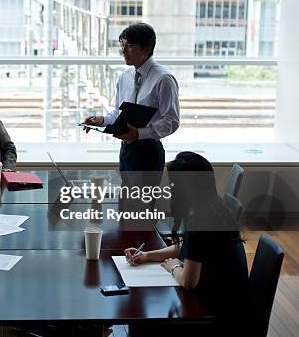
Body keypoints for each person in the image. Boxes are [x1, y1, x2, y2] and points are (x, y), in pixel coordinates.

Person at [124, 152, 249, 335]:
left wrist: (174, 267)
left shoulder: (199, 220)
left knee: (142, 322)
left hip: (216, 318)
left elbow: (189, 282)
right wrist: (147, 255)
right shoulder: (215, 207)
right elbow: (192, 249)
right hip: (231, 306)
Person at [83, 23, 180, 184]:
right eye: (122, 45)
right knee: (126, 203)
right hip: (126, 150)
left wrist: (139, 134)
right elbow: (118, 114)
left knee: (143, 206)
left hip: (149, 151)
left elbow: (172, 121)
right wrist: (100, 120)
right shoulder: (124, 77)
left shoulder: (163, 79)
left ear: (147, 48)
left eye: (130, 46)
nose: (123, 50)